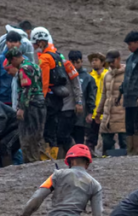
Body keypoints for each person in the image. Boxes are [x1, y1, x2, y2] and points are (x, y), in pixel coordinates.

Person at [31, 27, 82, 160]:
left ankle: (56, 157)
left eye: (36, 44)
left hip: (58, 101)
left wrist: (78, 101)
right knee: (56, 133)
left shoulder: (48, 58)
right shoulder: (59, 57)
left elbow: (45, 81)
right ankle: (60, 157)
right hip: (61, 100)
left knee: (54, 133)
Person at [7, 47, 46, 164]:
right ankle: (37, 160)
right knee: (37, 135)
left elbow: (26, 88)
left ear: (14, 59)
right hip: (41, 103)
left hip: (30, 105)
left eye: (12, 62)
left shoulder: (23, 69)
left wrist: (21, 108)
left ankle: (30, 162)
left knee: (26, 136)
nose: (12, 65)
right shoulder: (35, 66)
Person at [95, 50, 126, 151]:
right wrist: (98, 112)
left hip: (122, 113)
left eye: (113, 62)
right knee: (106, 141)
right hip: (108, 114)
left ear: (118, 59)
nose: (111, 64)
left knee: (124, 142)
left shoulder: (127, 74)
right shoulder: (107, 76)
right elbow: (104, 95)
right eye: (109, 62)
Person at [69, 51, 96, 148]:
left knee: (79, 138)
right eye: (73, 63)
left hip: (81, 114)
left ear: (81, 61)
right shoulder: (66, 75)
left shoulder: (88, 78)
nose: (75, 65)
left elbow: (91, 96)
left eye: (78, 62)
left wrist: (90, 113)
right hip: (67, 112)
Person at [0, 31, 24, 105]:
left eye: (15, 41)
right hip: (3, 99)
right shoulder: (0, 60)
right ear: (6, 43)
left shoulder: (24, 60)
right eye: (10, 41)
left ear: (20, 43)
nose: (12, 44)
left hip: (19, 100)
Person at [88, 52, 108, 151]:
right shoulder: (90, 76)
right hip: (93, 111)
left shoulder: (107, 75)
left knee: (106, 135)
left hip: (105, 111)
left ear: (102, 62)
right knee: (92, 135)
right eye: (92, 61)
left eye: (96, 60)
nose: (93, 63)